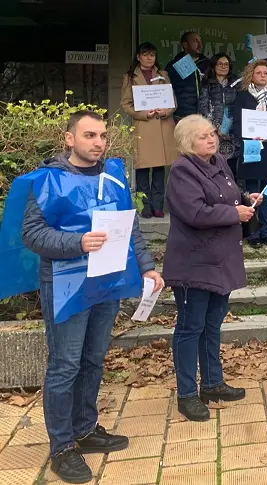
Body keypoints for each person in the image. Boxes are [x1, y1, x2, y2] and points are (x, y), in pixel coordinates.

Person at [21, 111, 162, 483]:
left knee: (93, 360)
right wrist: (78, 242)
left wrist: (146, 267)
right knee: (65, 365)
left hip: (107, 282)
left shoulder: (113, 177)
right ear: (69, 139)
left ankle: (84, 429)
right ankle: (62, 447)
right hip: (65, 285)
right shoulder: (47, 180)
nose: (98, 142)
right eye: (89, 135)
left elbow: (130, 228)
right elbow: (32, 234)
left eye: (102, 135)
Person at [164, 115, 263, 421]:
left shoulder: (218, 161)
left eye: (212, 134)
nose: (211, 139)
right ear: (187, 142)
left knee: (212, 323)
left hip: (221, 259)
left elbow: (227, 196)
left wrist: (246, 200)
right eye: (203, 136)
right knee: (190, 327)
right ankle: (186, 394)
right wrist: (234, 213)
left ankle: (212, 383)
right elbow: (195, 212)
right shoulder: (182, 170)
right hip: (193, 262)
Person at [232, 59, 267, 249]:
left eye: (265, 73)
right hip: (252, 148)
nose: (263, 76)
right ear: (251, 75)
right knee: (252, 192)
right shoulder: (242, 96)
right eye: (258, 73)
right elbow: (237, 124)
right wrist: (247, 136)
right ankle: (253, 232)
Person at [121, 42, 177, 219]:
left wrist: (165, 111)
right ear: (138, 57)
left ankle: (158, 206)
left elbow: (173, 101)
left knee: (159, 169)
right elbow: (126, 104)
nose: (149, 58)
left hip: (162, 125)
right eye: (145, 54)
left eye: (152, 55)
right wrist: (143, 114)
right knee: (143, 168)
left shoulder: (163, 75)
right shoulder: (130, 77)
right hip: (144, 126)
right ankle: (145, 206)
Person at [199, 53, 240, 177]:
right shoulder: (207, 83)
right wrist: (216, 127)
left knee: (231, 169)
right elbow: (203, 107)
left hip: (232, 132)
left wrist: (230, 127)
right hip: (213, 132)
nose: (223, 66)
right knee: (214, 166)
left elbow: (239, 107)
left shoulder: (236, 83)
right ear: (214, 66)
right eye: (220, 64)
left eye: (226, 64)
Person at [165, 31, 209, 121]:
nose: (200, 44)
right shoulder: (173, 65)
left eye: (200, 41)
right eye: (195, 41)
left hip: (204, 117)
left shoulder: (208, 64)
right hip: (181, 117)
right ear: (185, 44)